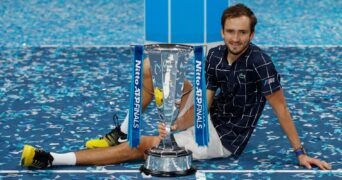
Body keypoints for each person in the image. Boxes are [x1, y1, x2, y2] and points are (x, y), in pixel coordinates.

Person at [21, 3, 331, 170]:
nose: (235, 38)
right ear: (222, 31)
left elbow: (281, 108)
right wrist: (177, 124)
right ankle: (124, 130)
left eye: (242, 33)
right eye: (230, 32)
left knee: (144, 147)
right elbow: (205, 100)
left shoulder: (260, 63)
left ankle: (54, 158)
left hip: (222, 139)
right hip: (206, 120)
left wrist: (300, 153)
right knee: (149, 69)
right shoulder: (215, 55)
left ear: (251, 34)